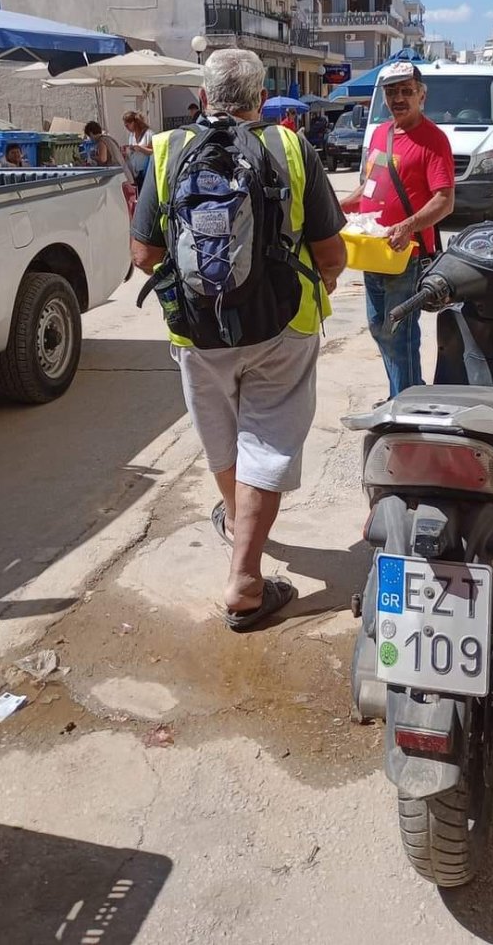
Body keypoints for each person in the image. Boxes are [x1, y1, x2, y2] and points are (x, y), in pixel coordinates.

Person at [131, 48, 346, 631]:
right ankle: (245, 580)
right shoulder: (290, 147)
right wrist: (313, 282)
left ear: (203, 98)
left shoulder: (167, 149)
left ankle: (236, 523)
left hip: (197, 332)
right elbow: (332, 253)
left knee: (223, 439)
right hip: (284, 325)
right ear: (260, 99)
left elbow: (145, 253)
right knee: (267, 441)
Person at [341, 61, 455, 397]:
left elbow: (444, 201)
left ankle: (405, 400)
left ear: (422, 95)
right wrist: (339, 206)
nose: (399, 98)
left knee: (400, 330)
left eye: (407, 91)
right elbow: (370, 188)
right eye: (392, 92)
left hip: (407, 252)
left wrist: (407, 225)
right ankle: (405, 391)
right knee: (380, 327)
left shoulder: (433, 140)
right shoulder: (381, 134)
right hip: (373, 249)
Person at [122, 111, 154, 184]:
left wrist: (140, 148)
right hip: (134, 172)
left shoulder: (148, 134)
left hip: (146, 172)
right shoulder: (132, 135)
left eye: (127, 125)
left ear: (134, 123)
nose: (126, 128)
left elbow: (153, 151)